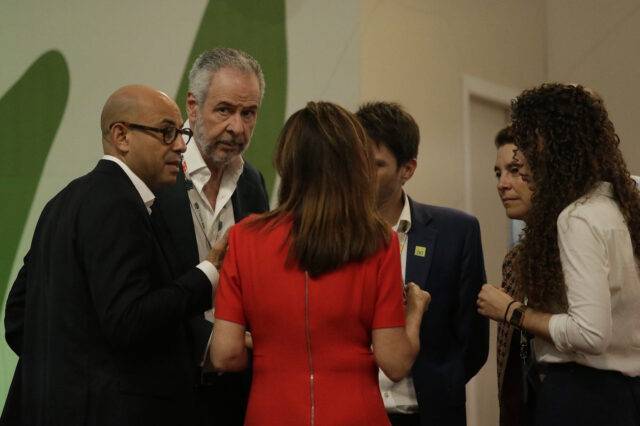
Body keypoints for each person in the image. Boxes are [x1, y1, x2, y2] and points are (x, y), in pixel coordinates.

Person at [2, 85, 222, 425]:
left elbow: (18, 317)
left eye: (182, 133)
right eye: (166, 132)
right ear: (121, 136)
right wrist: (209, 271)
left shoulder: (63, 201)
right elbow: (128, 319)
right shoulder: (118, 203)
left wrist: (67, 378)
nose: (181, 145)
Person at [211, 101, 431, 426]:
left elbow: (225, 354)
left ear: (286, 161)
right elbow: (395, 362)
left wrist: (274, 346)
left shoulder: (244, 238)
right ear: (353, 164)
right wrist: (415, 310)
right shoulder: (378, 240)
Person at [477, 83, 640, 426]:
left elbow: (590, 334)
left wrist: (512, 311)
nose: (520, 162)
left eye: (526, 147)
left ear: (551, 146)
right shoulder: (620, 203)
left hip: (583, 395)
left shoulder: (578, 217)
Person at [151, 47, 269, 425]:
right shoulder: (155, 176)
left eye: (248, 113)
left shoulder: (253, 183)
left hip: (235, 389)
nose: (238, 127)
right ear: (193, 106)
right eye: (225, 110)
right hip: (165, 388)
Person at [356, 101, 488, 426]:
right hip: (355, 412)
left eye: (376, 165)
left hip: (429, 415)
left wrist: (440, 386)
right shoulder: (333, 236)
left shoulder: (456, 232)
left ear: (407, 169)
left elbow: (472, 341)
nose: (361, 174)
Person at [493, 126, 534, 426]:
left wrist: (510, 310)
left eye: (514, 170)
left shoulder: (574, 245)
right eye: (498, 173)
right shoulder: (514, 259)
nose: (502, 184)